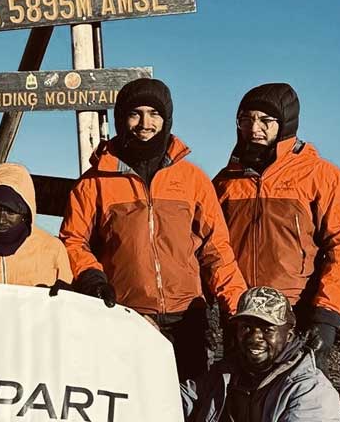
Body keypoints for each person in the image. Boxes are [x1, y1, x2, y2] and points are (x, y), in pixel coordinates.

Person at [59, 78, 247, 380]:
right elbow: (73, 241)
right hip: (126, 315)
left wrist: (237, 308)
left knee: (188, 404)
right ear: (122, 118)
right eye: (135, 113)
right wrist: (91, 277)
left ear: (167, 119)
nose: (145, 123)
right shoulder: (93, 182)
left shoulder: (192, 178)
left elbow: (216, 250)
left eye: (154, 114)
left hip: (188, 318)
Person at [214, 83, 340, 368]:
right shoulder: (224, 182)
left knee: (296, 404)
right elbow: (212, 250)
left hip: (296, 315)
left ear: (285, 124)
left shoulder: (322, 176)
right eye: (246, 119)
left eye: (265, 120)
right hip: (239, 314)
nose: (253, 127)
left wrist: (326, 317)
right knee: (237, 403)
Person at [181, 286, 340, 422]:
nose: (254, 337)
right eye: (246, 327)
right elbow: (181, 399)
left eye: (267, 329)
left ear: (289, 336)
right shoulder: (224, 373)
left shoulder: (311, 392)